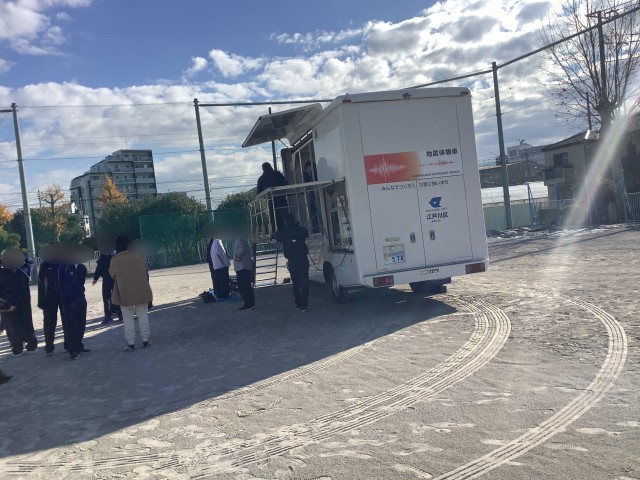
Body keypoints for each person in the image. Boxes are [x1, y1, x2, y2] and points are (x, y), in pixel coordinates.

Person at [109, 235, 153, 351]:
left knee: (127, 318)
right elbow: (146, 269)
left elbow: (112, 275)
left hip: (124, 292)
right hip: (141, 290)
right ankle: (145, 340)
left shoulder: (115, 260)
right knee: (143, 316)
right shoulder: (140, 255)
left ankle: (130, 343)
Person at [0, 249, 38, 356]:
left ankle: (17, 348)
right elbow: (30, 261)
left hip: (9, 303)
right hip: (24, 302)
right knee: (27, 323)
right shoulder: (24, 270)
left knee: (14, 326)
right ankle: (31, 346)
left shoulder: (1, 273)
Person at [273, 214, 310, 312]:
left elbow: (274, 236)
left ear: (285, 222)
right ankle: (304, 305)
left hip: (292, 261)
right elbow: (306, 233)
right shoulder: (301, 230)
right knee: (304, 283)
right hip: (303, 259)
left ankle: (298, 303)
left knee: (296, 284)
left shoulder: (283, 232)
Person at [57, 258, 89, 361]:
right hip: (68, 301)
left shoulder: (82, 267)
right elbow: (58, 284)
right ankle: (73, 350)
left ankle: (79, 345)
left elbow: (82, 283)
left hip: (81, 299)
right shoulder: (63, 267)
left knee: (81, 324)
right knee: (71, 326)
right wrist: (64, 297)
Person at [92, 239, 122, 324]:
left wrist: (96, 278)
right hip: (117, 276)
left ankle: (108, 316)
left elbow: (100, 266)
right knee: (117, 295)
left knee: (106, 297)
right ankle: (120, 314)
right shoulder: (118, 251)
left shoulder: (105, 252)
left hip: (108, 277)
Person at [38, 259, 63, 355]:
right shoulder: (45, 265)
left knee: (67, 322)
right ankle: (49, 347)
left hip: (63, 296)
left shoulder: (64, 262)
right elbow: (41, 284)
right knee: (49, 324)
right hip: (49, 299)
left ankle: (69, 345)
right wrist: (41, 301)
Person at [257, 162, 288, 230]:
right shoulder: (277, 174)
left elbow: (259, 192)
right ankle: (288, 228)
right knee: (285, 215)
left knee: (273, 216)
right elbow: (285, 183)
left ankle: (275, 230)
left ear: (263, 169)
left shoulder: (261, 179)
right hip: (281, 198)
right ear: (270, 166)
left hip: (270, 200)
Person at [233, 232, 255, 311]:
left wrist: (236, 257)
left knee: (243, 287)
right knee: (247, 286)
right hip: (245, 266)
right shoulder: (243, 239)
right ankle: (251, 303)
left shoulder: (239, 240)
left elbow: (241, 250)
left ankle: (248, 304)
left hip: (242, 267)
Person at [303, 161, 320, 233]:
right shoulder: (316, 173)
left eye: (306, 169)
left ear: (309, 167)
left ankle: (316, 229)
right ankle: (316, 228)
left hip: (316, 195)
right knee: (314, 212)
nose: (306, 171)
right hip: (314, 195)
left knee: (314, 212)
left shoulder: (315, 174)